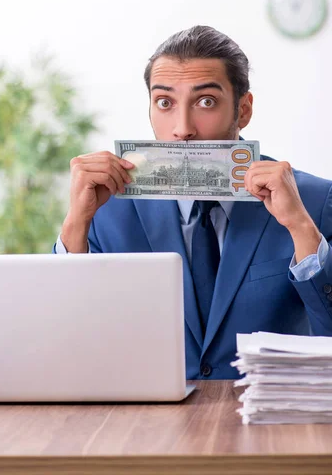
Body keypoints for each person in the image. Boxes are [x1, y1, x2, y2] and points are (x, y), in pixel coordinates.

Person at [53, 25, 332, 379]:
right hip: (147, 423)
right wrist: (76, 223)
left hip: (270, 420)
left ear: (243, 110)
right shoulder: (107, 211)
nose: (182, 128)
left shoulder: (316, 201)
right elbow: (67, 339)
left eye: (206, 102)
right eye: (165, 103)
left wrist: (302, 229)